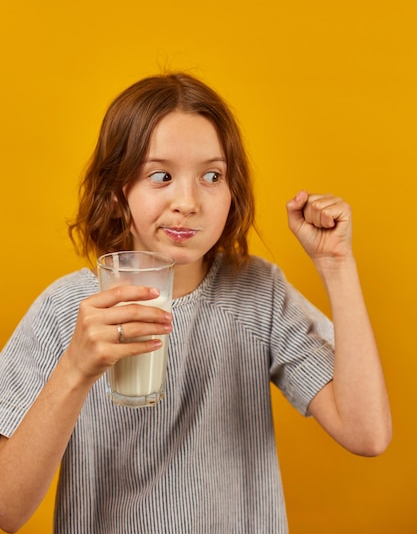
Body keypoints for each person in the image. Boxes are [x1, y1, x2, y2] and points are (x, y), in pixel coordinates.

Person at [0, 73, 391, 533]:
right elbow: (6, 510)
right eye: (160, 175)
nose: (187, 202)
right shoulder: (67, 311)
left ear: (232, 193)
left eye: (212, 176)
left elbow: (368, 434)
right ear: (116, 191)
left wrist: (336, 264)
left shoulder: (258, 293)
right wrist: (76, 367)